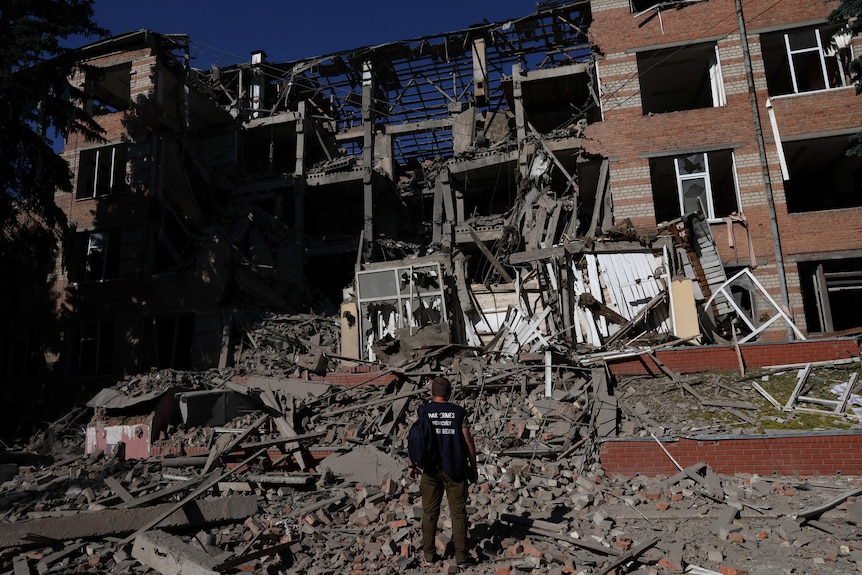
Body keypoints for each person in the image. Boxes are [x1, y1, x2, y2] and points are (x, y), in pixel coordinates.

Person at [408, 376, 478, 568]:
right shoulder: (458, 412)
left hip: (430, 470)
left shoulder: (423, 411)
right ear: (449, 393)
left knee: (429, 513)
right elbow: (468, 442)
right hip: (455, 469)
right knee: (458, 513)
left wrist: (412, 465)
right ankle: (461, 557)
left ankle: (429, 556)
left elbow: (416, 439)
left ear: (432, 392)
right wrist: (474, 468)